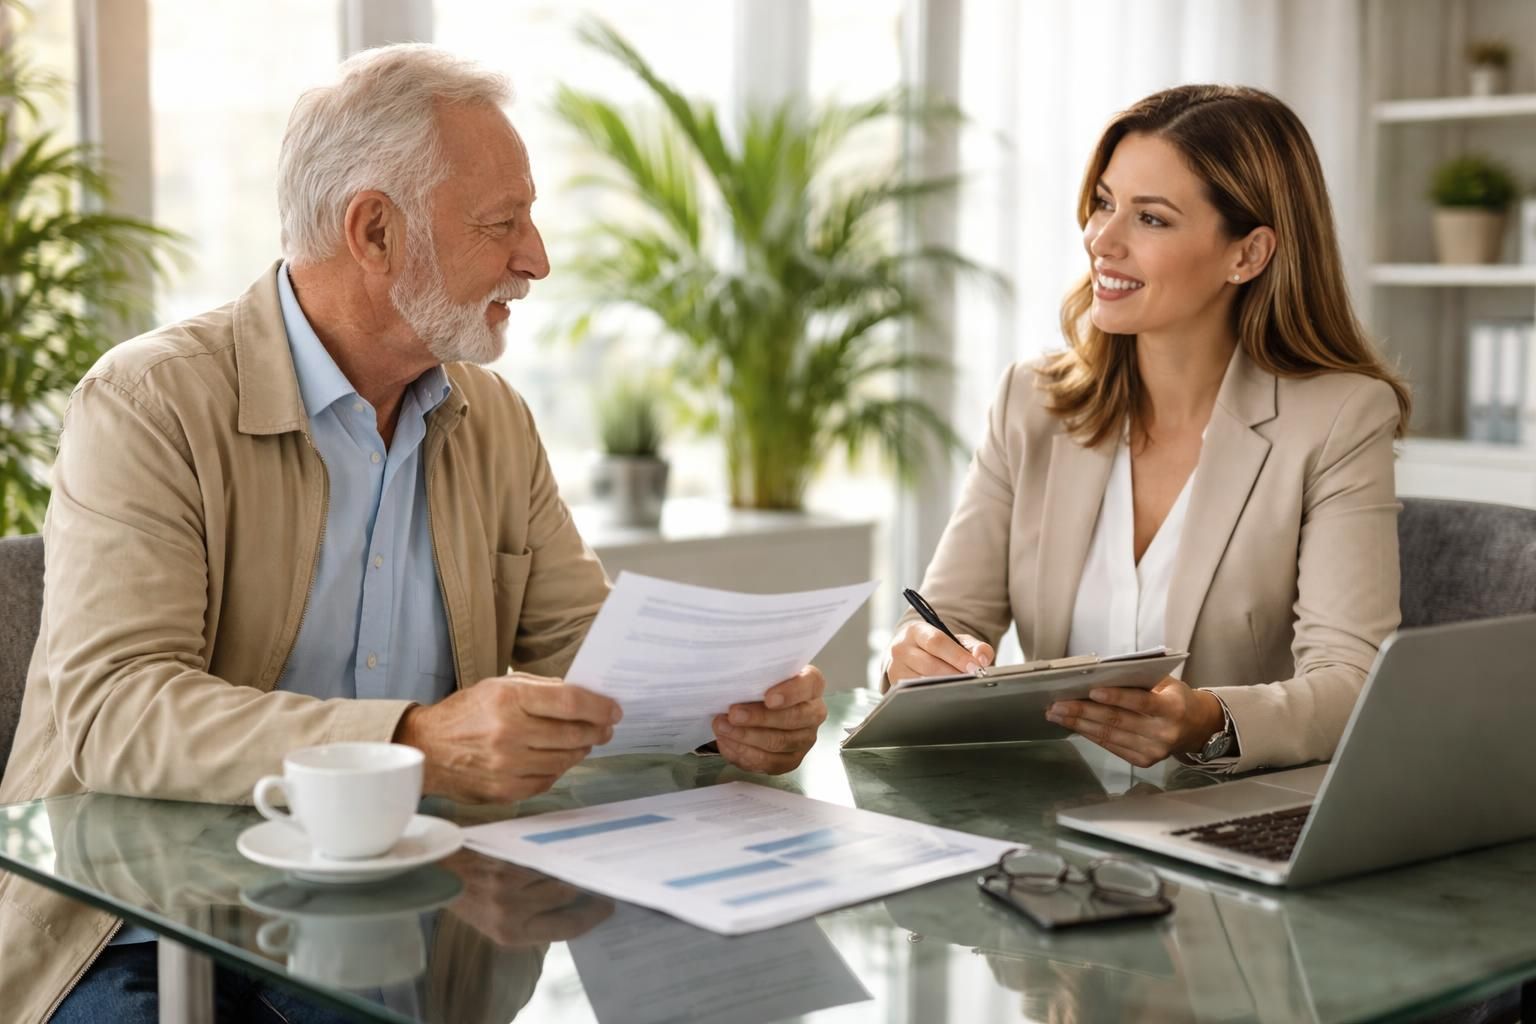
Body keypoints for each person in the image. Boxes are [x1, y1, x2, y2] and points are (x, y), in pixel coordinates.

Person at [0, 44, 827, 1021]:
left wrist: (734, 712)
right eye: (502, 222)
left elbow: (605, 661)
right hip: (143, 932)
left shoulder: (496, 419)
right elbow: (112, 711)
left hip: (404, 921)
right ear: (376, 230)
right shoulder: (150, 404)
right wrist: (412, 743)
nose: (538, 258)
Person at [884, 84, 1410, 775]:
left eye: (1151, 219)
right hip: (1052, 819)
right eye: (1104, 203)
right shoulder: (1031, 404)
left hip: (1229, 828)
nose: (1101, 239)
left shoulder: (1339, 418)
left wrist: (1207, 722)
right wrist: (919, 655)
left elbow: (1353, 685)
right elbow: (948, 618)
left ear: (1247, 255)